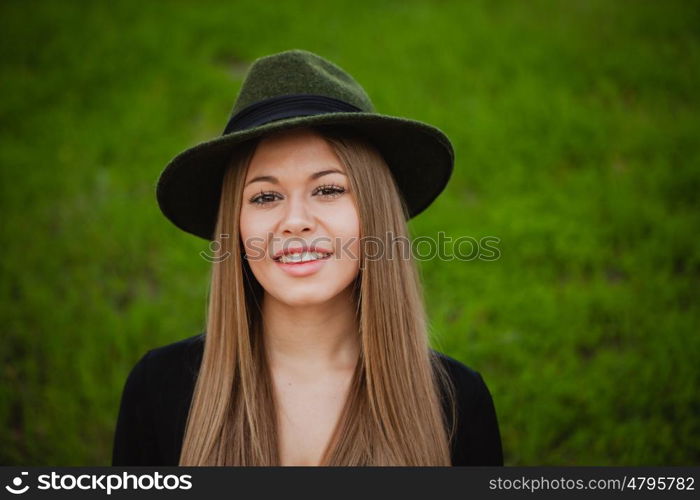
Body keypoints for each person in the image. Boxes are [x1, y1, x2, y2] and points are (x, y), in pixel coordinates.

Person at [112, 49, 503, 466]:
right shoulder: (159, 388)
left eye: (329, 189)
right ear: (237, 228)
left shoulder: (457, 402)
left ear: (375, 214)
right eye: (265, 196)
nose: (295, 221)